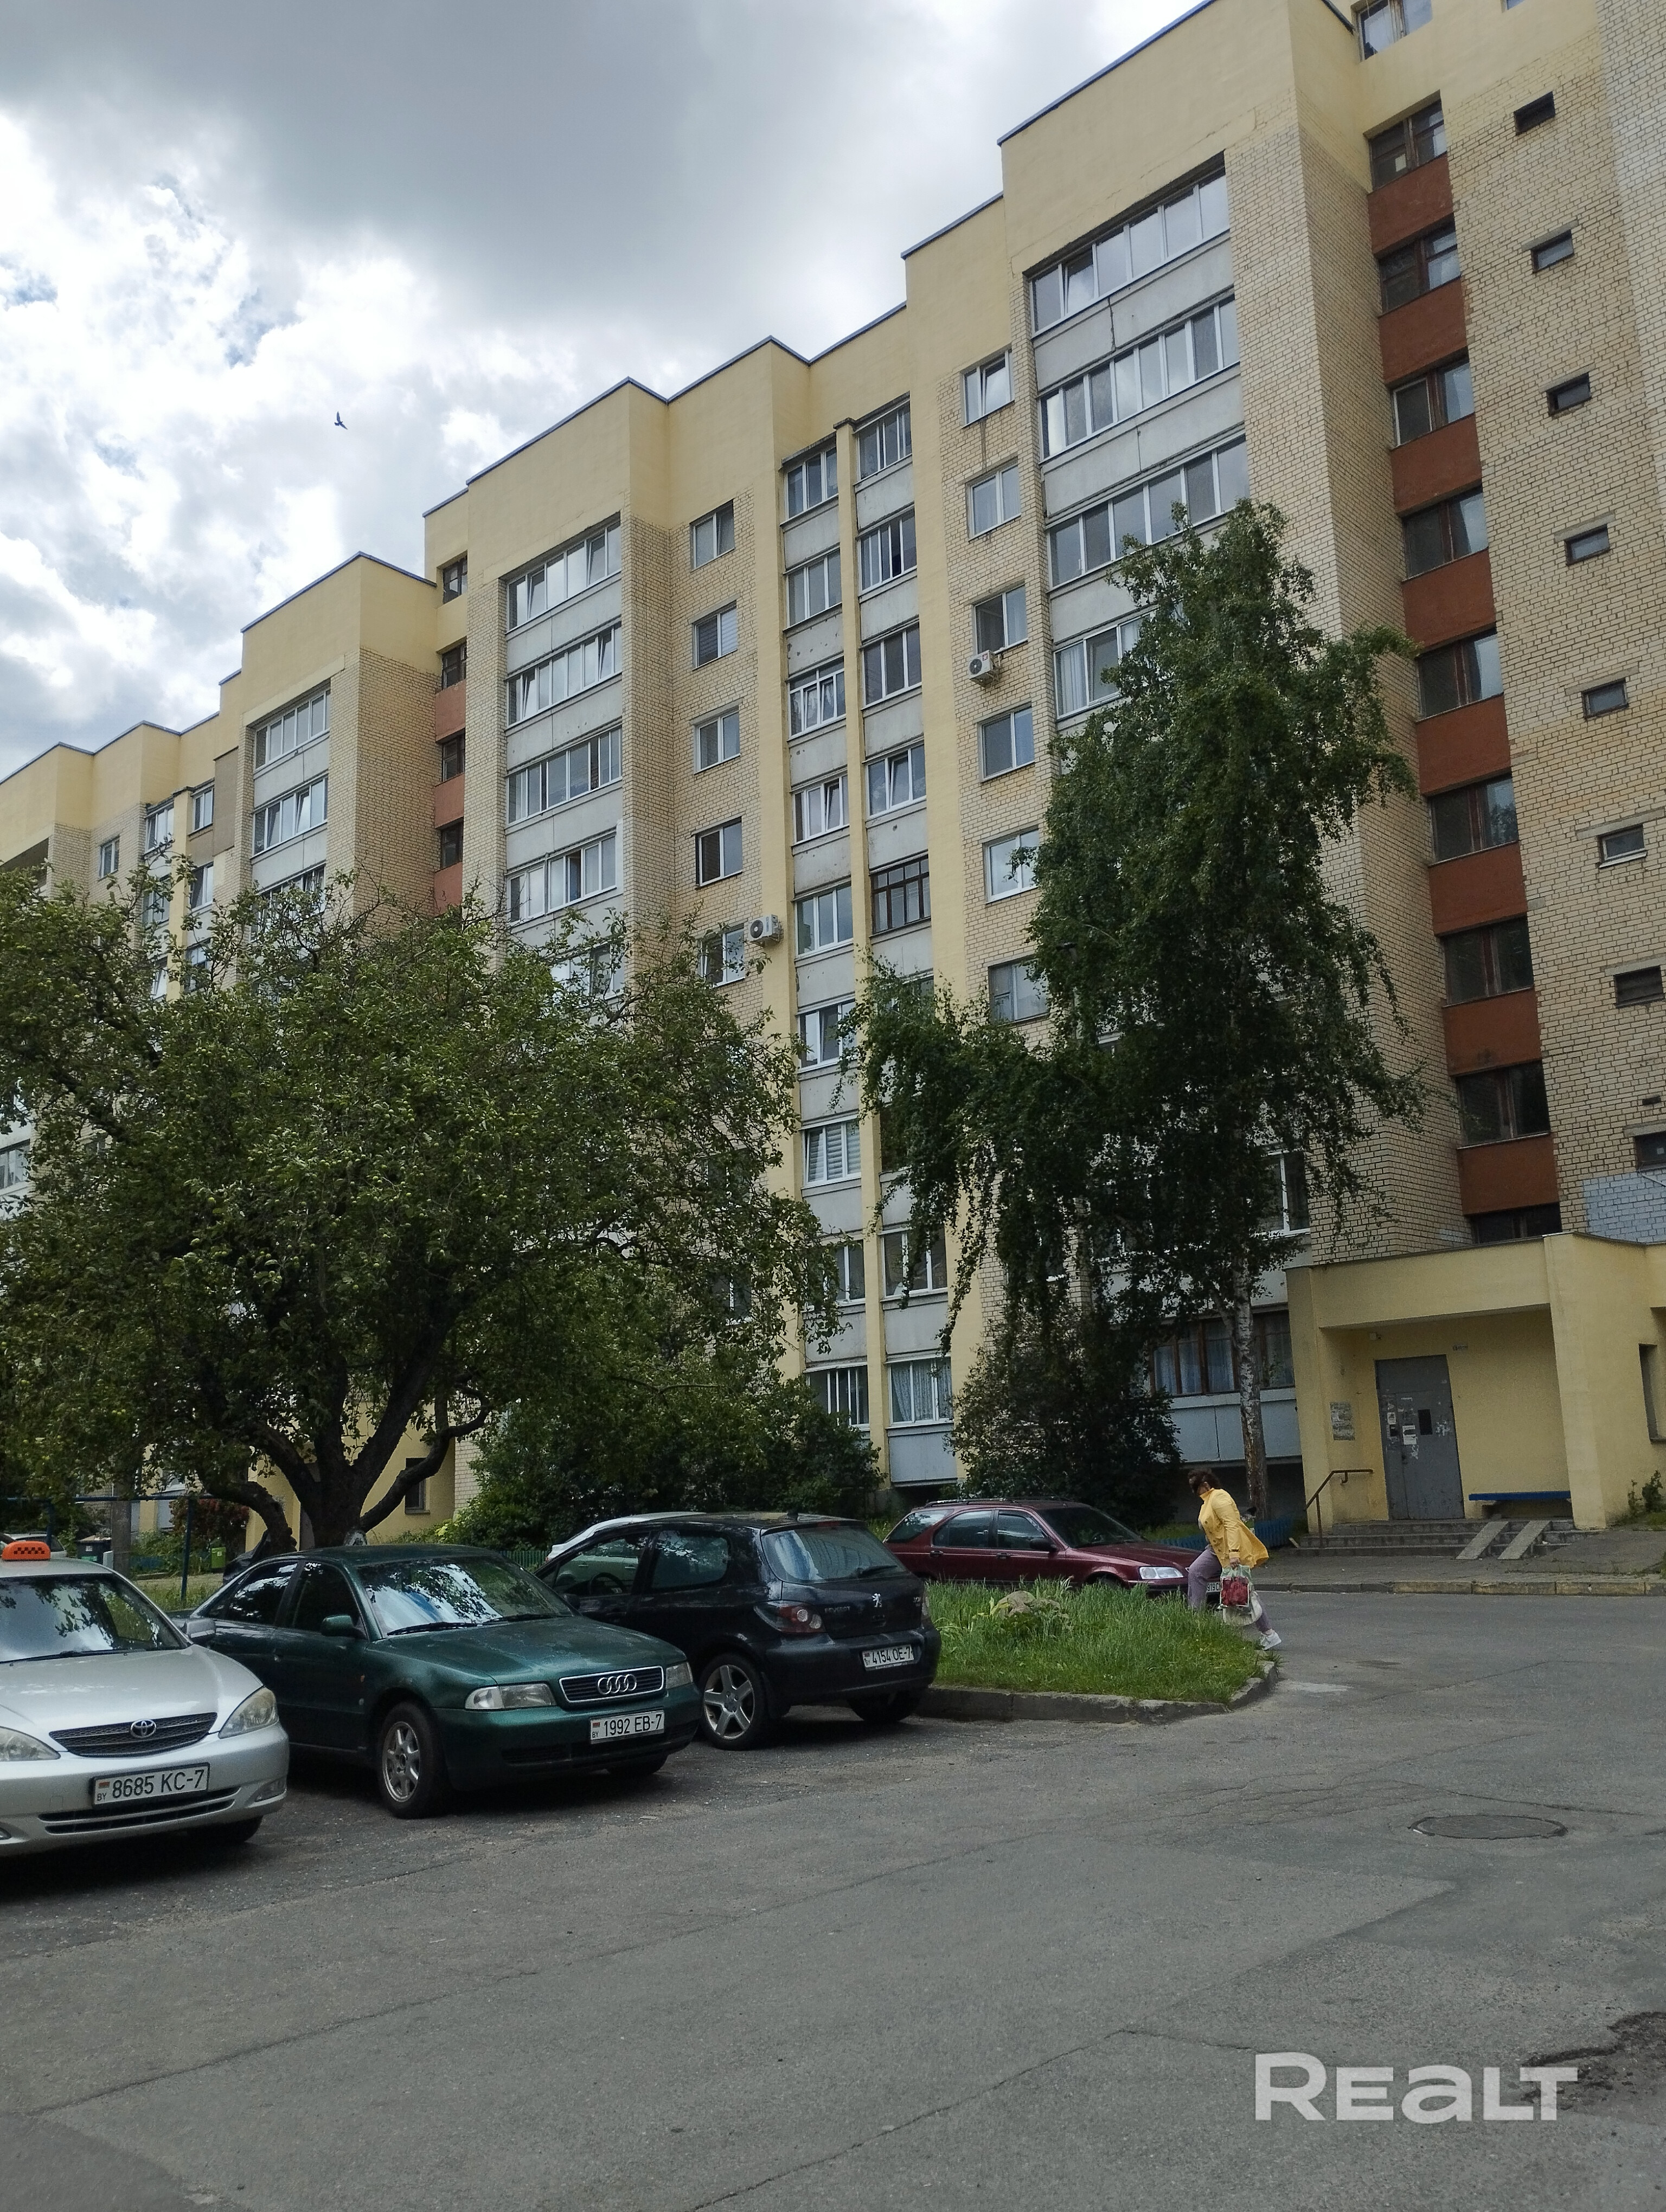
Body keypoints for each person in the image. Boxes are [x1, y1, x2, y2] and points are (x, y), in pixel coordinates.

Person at [1187, 1467, 1281, 1651]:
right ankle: (1195, 1621)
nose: (1194, 1492)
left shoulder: (1219, 1497)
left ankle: (1269, 1635)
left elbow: (1232, 1525)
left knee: (1245, 1592)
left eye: (1195, 1488)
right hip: (1216, 1551)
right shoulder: (1208, 1501)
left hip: (1231, 1551)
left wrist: (1234, 1553)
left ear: (1205, 1485)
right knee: (1196, 1571)